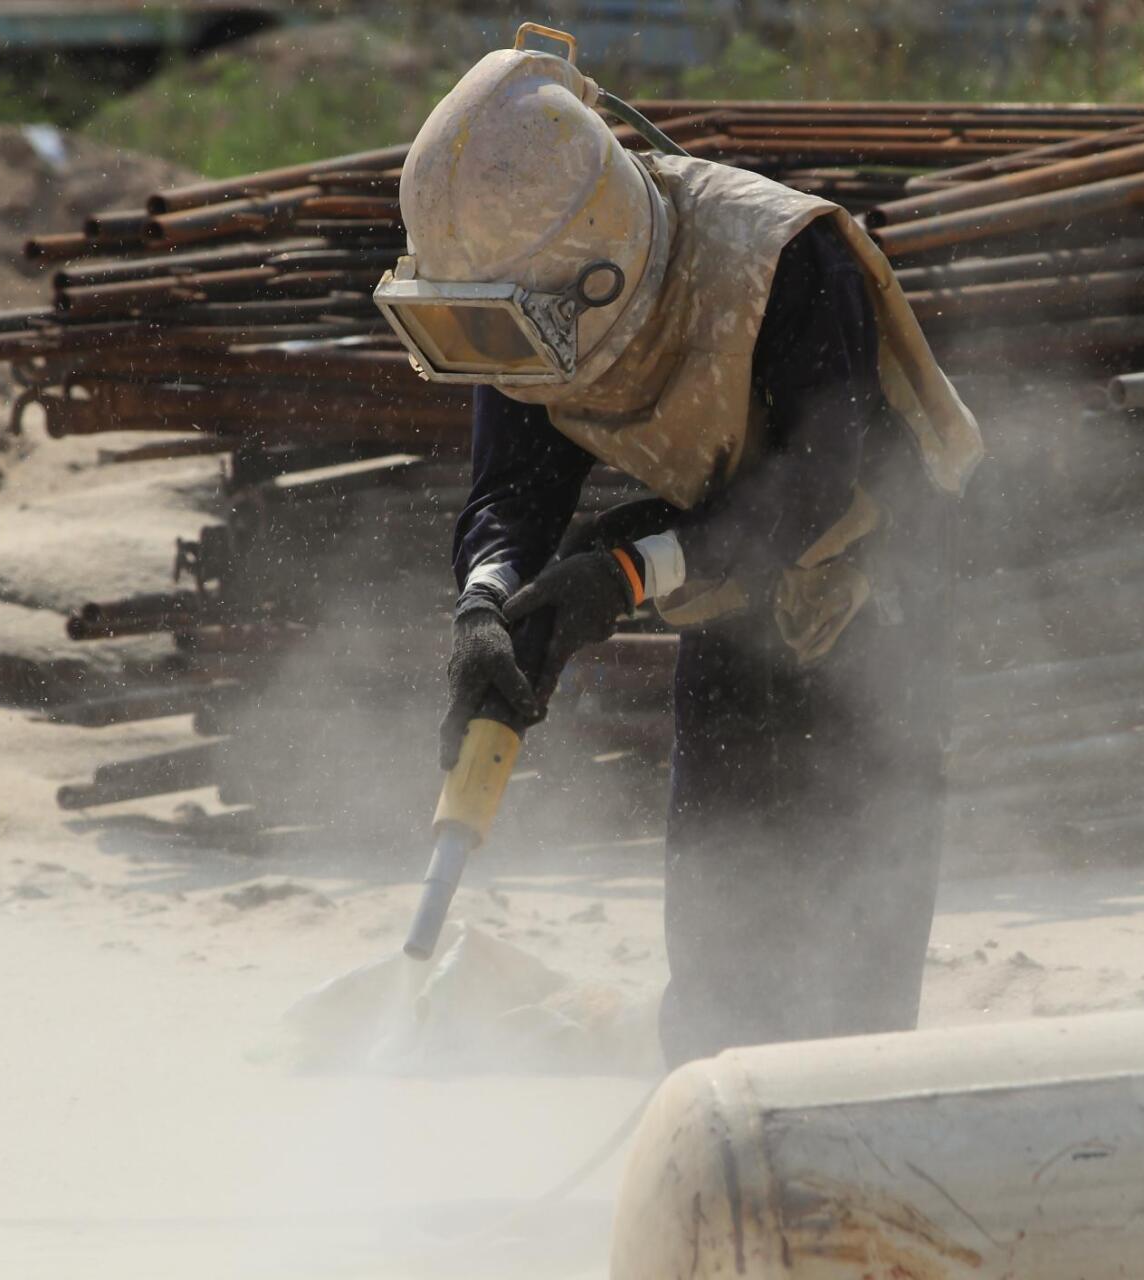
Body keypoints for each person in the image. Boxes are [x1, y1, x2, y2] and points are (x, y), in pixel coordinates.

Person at [375, 39, 982, 1066]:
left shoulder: (783, 259)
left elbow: (810, 487)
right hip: (725, 585)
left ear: (599, 268)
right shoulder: (521, 287)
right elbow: (515, 489)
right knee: (718, 935)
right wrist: (487, 603)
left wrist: (621, 572)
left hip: (881, 592)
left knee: (859, 955)